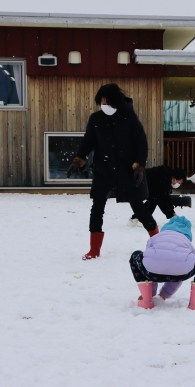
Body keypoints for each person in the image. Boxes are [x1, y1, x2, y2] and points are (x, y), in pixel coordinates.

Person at [66, 83, 159, 260]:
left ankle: (159, 243)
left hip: (127, 171)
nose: (104, 105)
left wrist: (139, 166)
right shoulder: (96, 119)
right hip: (104, 169)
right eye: (101, 102)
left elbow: (141, 144)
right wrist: (79, 159)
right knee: (97, 207)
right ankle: (94, 249)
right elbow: (87, 142)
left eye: (107, 101)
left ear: (116, 102)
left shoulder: (130, 118)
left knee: (139, 208)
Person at [128, 216, 195, 310]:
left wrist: (152, 291)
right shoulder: (186, 241)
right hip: (181, 273)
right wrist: (165, 294)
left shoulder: (157, 237)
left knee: (140, 257)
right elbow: (182, 264)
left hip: (151, 272)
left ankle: (147, 299)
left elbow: (150, 259)